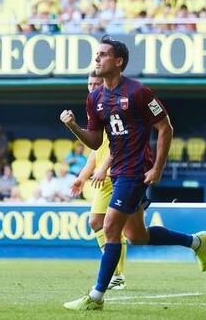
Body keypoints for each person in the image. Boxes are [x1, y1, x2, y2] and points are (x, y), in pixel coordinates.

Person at [60, 36, 206, 311]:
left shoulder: (139, 93)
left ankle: (96, 296)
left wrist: (158, 168)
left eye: (104, 54)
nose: (97, 58)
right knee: (137, 236)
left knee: (109, 228)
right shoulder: (95, 98)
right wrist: (73, 127)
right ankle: (196, 242)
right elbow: (95, 142)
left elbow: (166, 128)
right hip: (118, 171)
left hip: (136, 170)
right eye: (97, 54)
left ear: (118, 62)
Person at [71, 70, 128, 290]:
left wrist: (104, 168)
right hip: (102, 176)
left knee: (129, 231)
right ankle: (115, 272)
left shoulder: (110, 107)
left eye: (96, 83)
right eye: (89, 83)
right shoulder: (93, 109)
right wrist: (81, 177)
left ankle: (117, 274)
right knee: (97, 222)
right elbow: (96, 151)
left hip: (119, 173)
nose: (92, 87)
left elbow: (118, 144)